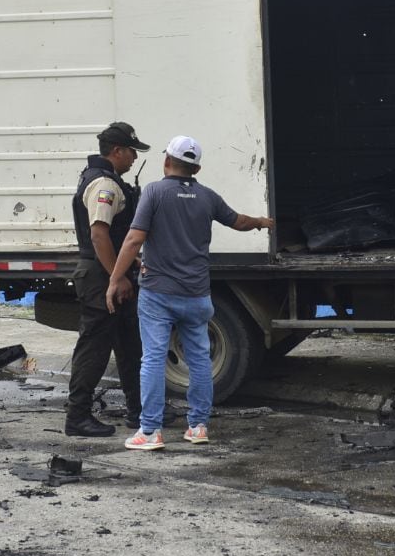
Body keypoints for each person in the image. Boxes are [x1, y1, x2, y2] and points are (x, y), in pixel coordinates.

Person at [106, 135, 273, 451]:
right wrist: (262, 223)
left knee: (153, 358)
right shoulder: (207, 197)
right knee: (199, 359)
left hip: (158, 293)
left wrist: (115, 279)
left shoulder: (154, 192)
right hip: (197, 295)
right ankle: (198, 427)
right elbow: (238, 222)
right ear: (197, 167)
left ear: (166, 161)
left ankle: (150, 432)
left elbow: (132, 240)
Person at [65, 122, 150, 438]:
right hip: (102, 278)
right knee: (95, 348)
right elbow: (99, 235)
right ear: (117, 151)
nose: (133, 159)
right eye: (131, 152)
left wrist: (131, 262)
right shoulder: (105, 185)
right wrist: (118, 276)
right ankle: (78, 417)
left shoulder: (105, 180)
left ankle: (139, 410)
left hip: (108, 273)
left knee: (130, 345)